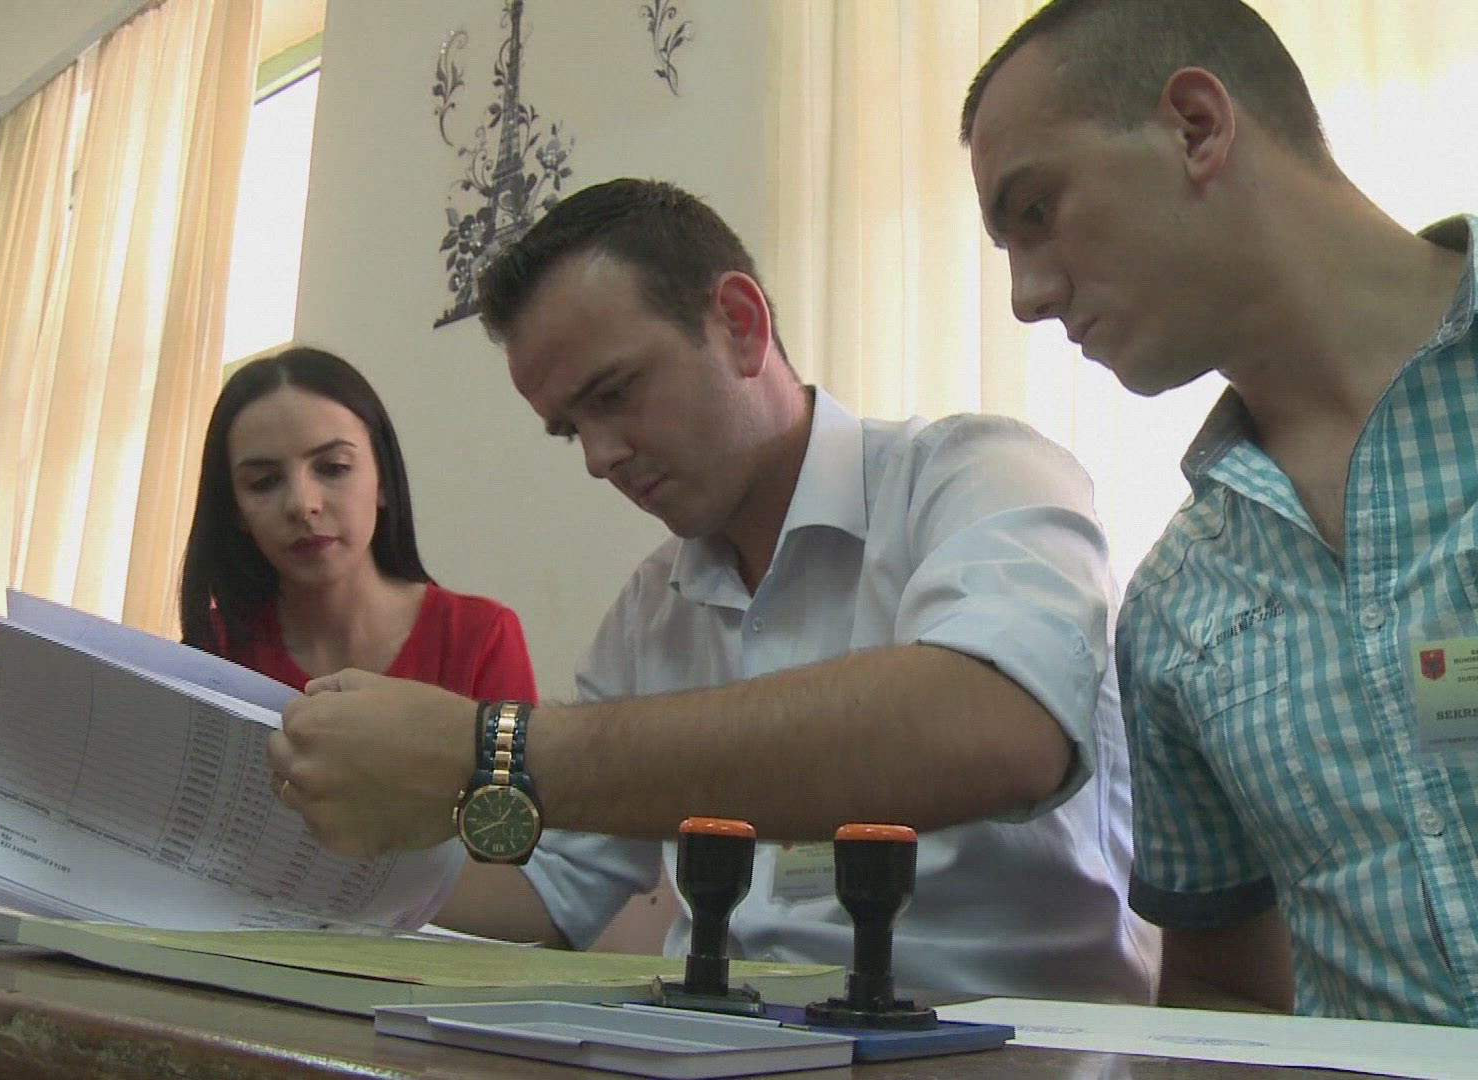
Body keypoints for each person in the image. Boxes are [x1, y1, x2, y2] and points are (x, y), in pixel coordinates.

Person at [272, 179, 1155, 1003]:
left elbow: (995, 728)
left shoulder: (980, 475)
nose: (599, 457)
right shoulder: (650, 612)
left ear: (739, 323)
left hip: (1001, 1045)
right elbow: (553, 887)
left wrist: (491, 750)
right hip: (720, 1045)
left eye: (616, 394)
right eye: (569, 429)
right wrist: (308, 863)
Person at [961, 0, 1476, 1026]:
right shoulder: (1176, 611)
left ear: (1196, 127)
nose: (1023, 297)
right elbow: (1224, 994)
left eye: (1037, 210)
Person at [180, 345, 536, 703]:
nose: (302, 505)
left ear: (383, 480)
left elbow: (514, 743)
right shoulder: (211, 652)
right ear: (235, 509)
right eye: (264, 482)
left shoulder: (480, 636)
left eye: (333, 468)